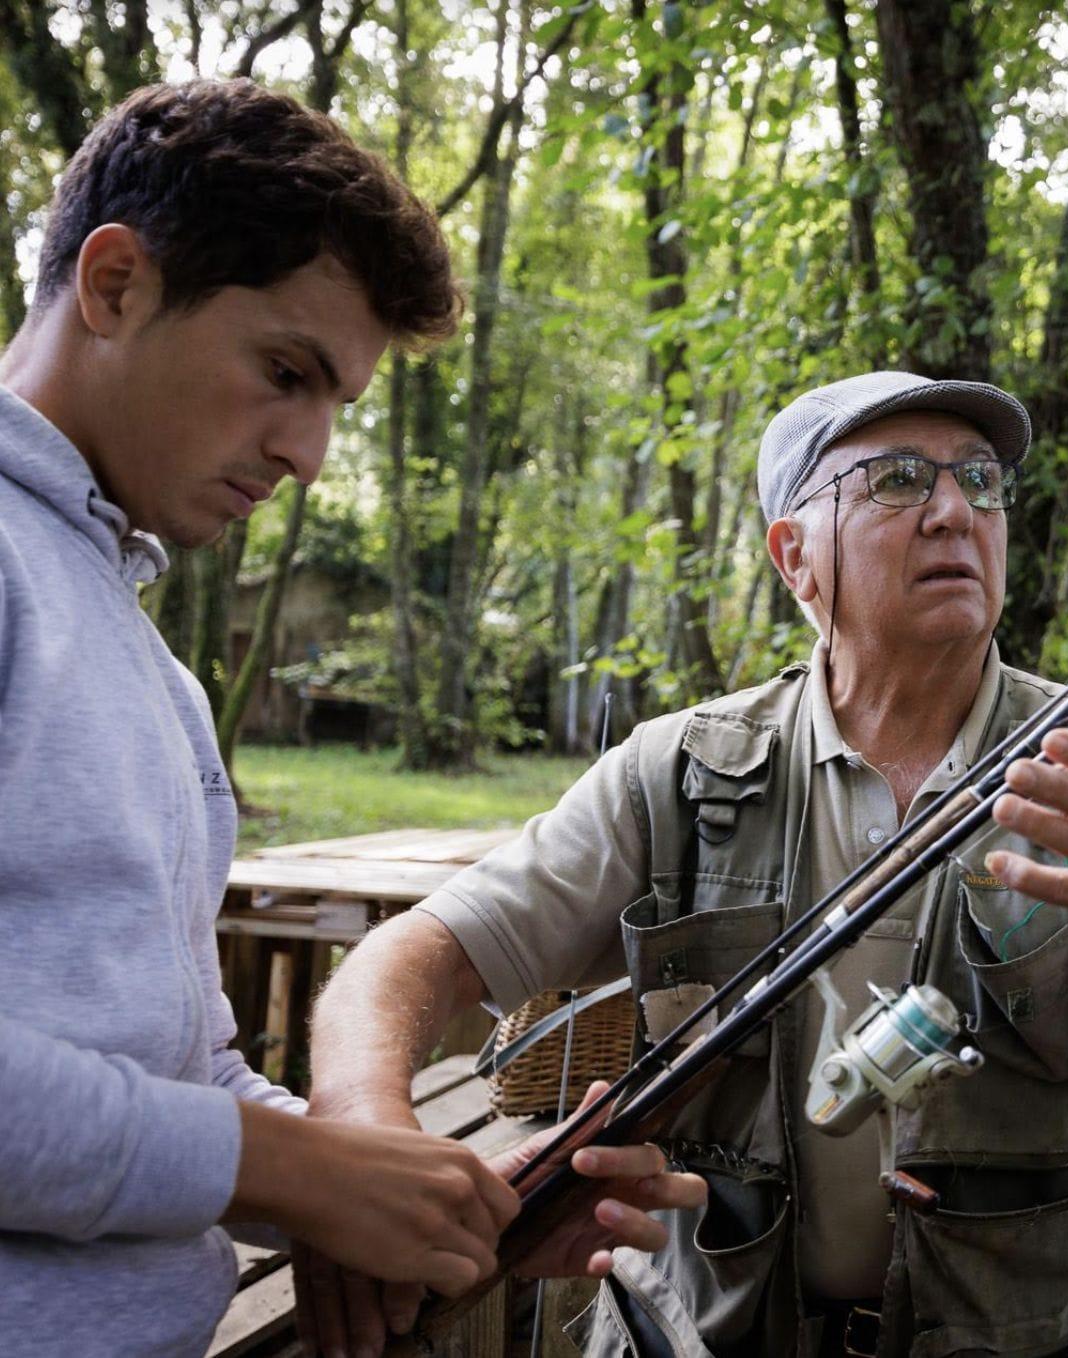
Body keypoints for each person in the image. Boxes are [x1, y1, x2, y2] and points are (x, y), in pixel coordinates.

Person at [308, 370, 1068, 1357]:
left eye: (980, 479)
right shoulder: (674, 772)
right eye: (898, 479)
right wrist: (363, 1138)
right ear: (795, 556)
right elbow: (410, 956)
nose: (954, 511)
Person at [0, 79, 700, 1358]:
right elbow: (224, 1143)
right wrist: (293, 1168)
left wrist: (431, 1203)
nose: (310, 454)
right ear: (114, 284)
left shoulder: (158, 674)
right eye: (286, 371)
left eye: (336, 403)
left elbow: (187, 1072)